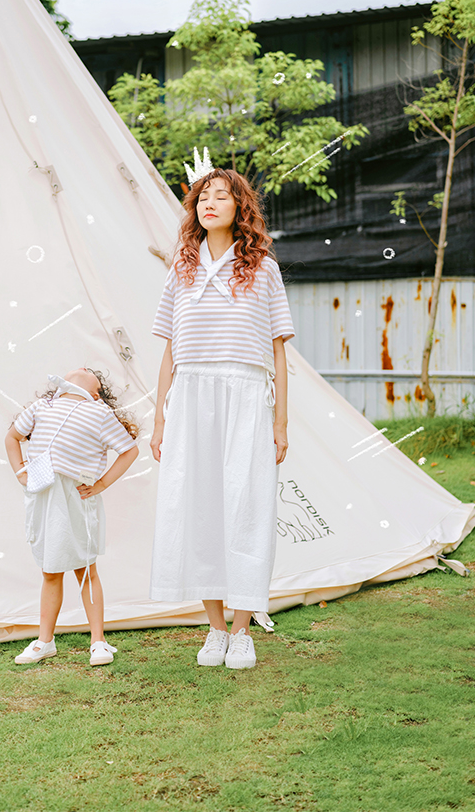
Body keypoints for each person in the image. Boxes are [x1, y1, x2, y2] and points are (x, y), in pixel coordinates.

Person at [149, 160, 294, 670]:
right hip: (190, 396)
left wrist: (280, 423)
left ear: (240, 207)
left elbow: (278, 350)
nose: (209, 203)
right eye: (202, 197)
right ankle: (214, 629)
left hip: (247, 395)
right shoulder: (181, 269)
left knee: (246, 507)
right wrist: (159, 419)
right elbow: (169, 351)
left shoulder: (264, 268)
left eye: (221, 196)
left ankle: (242, 630)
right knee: (198, 507)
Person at [5, 367, 139, 667]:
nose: (83, 369)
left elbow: (129, 450)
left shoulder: (99, 413)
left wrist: (101, 483)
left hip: (77, 498)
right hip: (44, 495)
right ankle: (44, 641)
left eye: (90, 372)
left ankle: (98, 641)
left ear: (95, 393)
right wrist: (20, 471)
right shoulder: (43, 406)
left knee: (85, 569)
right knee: (50, 571)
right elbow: (12, 437)